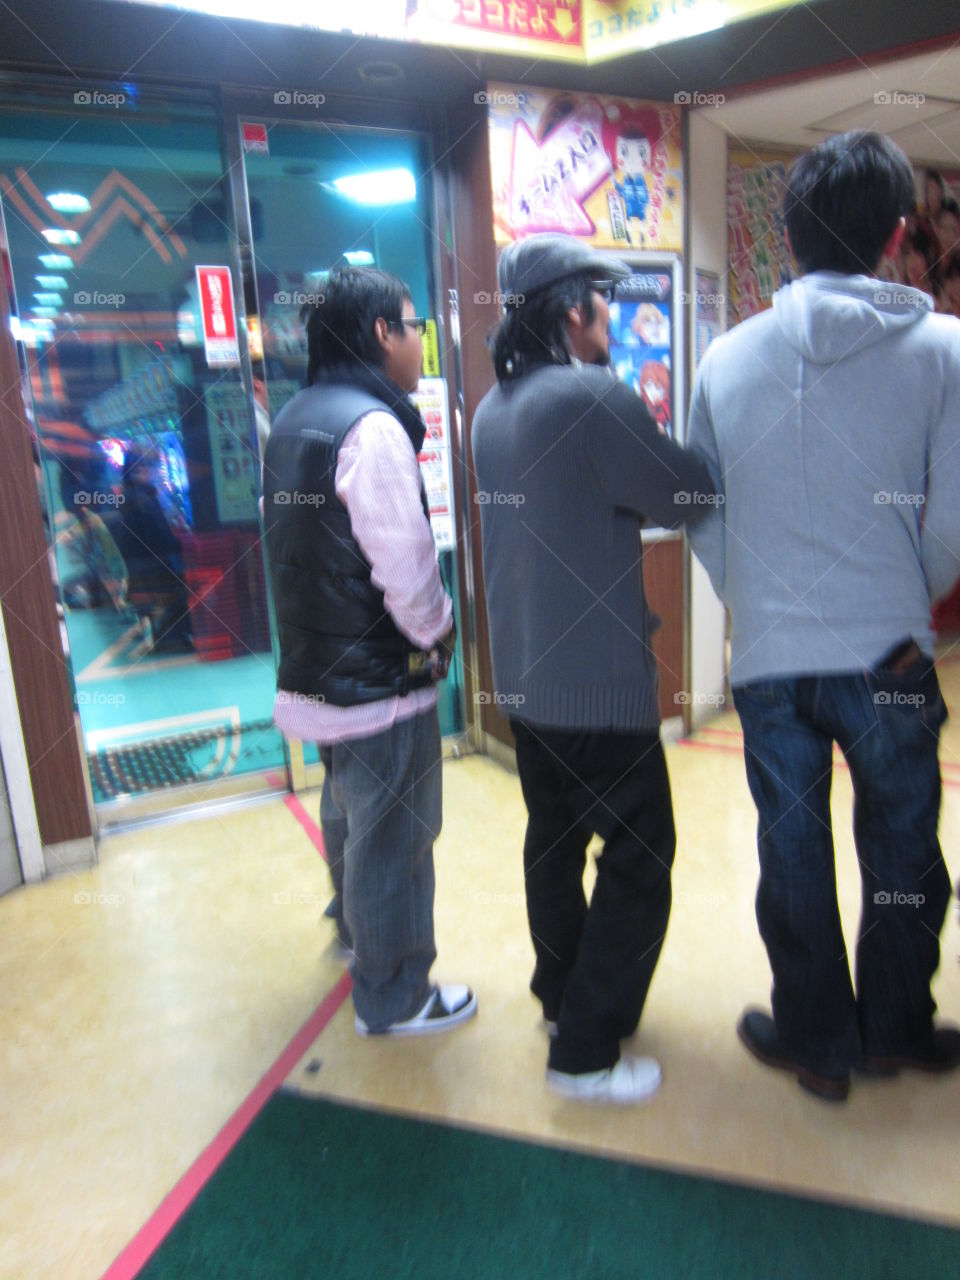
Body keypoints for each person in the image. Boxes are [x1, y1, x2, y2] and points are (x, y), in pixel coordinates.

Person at [687, 131, 960, 1102]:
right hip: (890, 650)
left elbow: (700, 511)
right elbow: (955, 518)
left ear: (789, 237)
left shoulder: (725, 358)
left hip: (768, 658)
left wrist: (756, 595)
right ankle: (894, 1024)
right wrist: (903, 590)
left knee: (790, 846)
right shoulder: (944, 350)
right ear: (896, 233)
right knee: (901, 846)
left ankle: (818, 1039)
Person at [471, 234, 715, 1104]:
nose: (611, 316)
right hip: (597, 689)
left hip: (528, 682)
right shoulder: (590, 398)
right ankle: (584, 1053)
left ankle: (560, 994)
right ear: (573, 310)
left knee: (555, 838)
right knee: (642, 854)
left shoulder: (490, 410)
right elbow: (686, 494)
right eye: (603, 301)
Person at [262, 266, 473, 1037]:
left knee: (349, 816)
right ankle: (393, 994)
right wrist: (441, 631)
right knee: (397, 840)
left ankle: (356, 934)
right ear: (381, 333)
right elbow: (407, 570)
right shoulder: (373, 427)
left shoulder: (294, 417)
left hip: (320, 676)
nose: (420, 341)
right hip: (380, 684)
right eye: (413, 326)